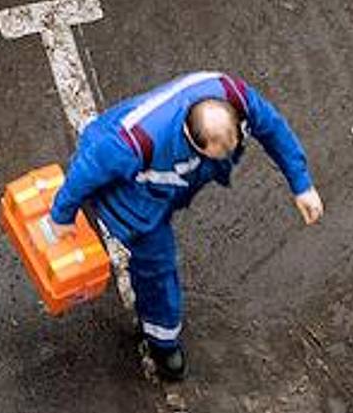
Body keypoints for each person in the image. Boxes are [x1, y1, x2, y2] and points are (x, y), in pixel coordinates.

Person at [48, 70, 323, 382]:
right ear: (192, 140)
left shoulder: (238, 99)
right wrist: (61, 215)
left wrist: (302, 185)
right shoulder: (132, 144)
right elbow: (89, 168)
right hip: (135, 194)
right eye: (217, 154)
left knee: (155, 255)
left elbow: (273, 128)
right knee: (157, 263)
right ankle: (161, 341)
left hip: (163, 181)